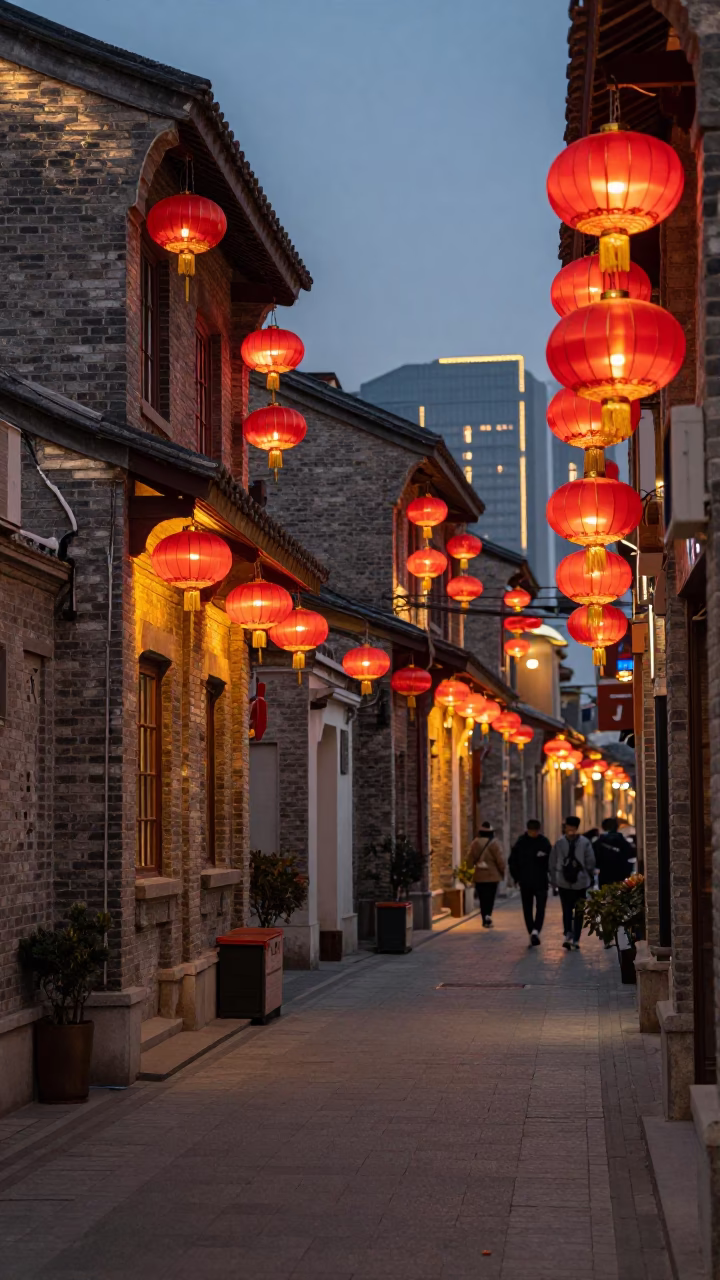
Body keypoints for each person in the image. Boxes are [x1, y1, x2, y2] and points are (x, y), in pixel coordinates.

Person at [549, 816, 596, 950]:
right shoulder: (583, 842)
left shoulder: (560, 842)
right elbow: (590, 862)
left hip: (573, 882)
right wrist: (590, 875)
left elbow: (552, 863)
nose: (569, 830)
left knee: (573, 910)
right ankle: (572, 937)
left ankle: (572, 936)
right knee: (572, 910)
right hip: (573, 882)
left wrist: (554, 880)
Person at [508, 819, 551, 946]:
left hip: (541, 881)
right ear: (527, 830)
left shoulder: (544, 842)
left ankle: (536, 931)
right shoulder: (521, 843)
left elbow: (551, 860)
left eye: (535, 831)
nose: (533, 833)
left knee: (541, 907)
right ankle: (532, 930)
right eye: (531, 831)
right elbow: (512, 862)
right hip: (525, 881)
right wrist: (516, 877)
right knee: (527, 908)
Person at [468, 821, 506, 928]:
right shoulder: (494, 843)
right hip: (492, 876)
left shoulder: (474, 843)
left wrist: (469, 871)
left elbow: (469, 860)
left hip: (479, 876)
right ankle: (488, 915)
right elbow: (500, 860)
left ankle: (484, 916)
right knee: (490, 897)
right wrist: (502, 871)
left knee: (482, 898)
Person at [593, 817, 634, 888]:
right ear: (617, 827)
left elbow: (594, 859)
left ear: (603, 827)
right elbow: (630, 854)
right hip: (621, 874)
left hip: (604, 874)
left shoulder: (598, 842)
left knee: (605, 896)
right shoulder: (623, 841)